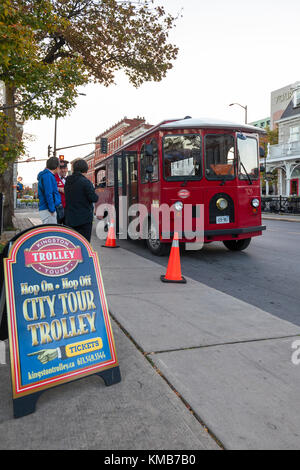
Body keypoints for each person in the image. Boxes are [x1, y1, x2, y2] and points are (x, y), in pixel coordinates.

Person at [64, 159, 99, 242]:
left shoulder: (68, 182)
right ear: (85, 169)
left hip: (70, 219)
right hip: (84, 220)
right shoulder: (86, 182)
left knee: (72, 243)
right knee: (84, 244)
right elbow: (94, 198)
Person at [37, 156, 62, 224]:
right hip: (48, 210)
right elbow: (48, 193)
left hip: (46, 209)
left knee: (50, 232)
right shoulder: (48, 176)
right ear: (56, 166)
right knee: (51, 233)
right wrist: (52, 209)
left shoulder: (46, 175)